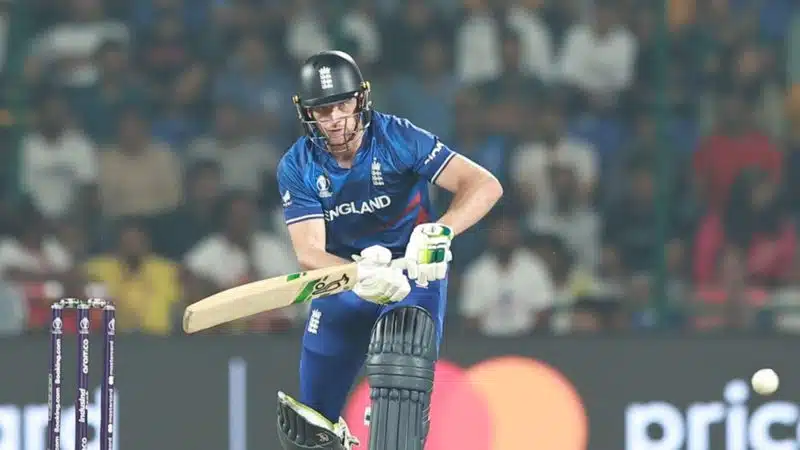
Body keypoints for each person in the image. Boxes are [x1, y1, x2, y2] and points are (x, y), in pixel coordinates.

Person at [275, 50, 503, 450]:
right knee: (310, 429)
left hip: (412, 275)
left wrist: (440, 232)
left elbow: (484, 185)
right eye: (323, 110)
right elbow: (309, 253)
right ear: (307, 113)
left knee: (402, 393)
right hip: (346, 284)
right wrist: (359, 274)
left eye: (343, 105)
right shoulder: (297, 165)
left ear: (361, 99)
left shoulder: (398, 137)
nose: (336, 119)